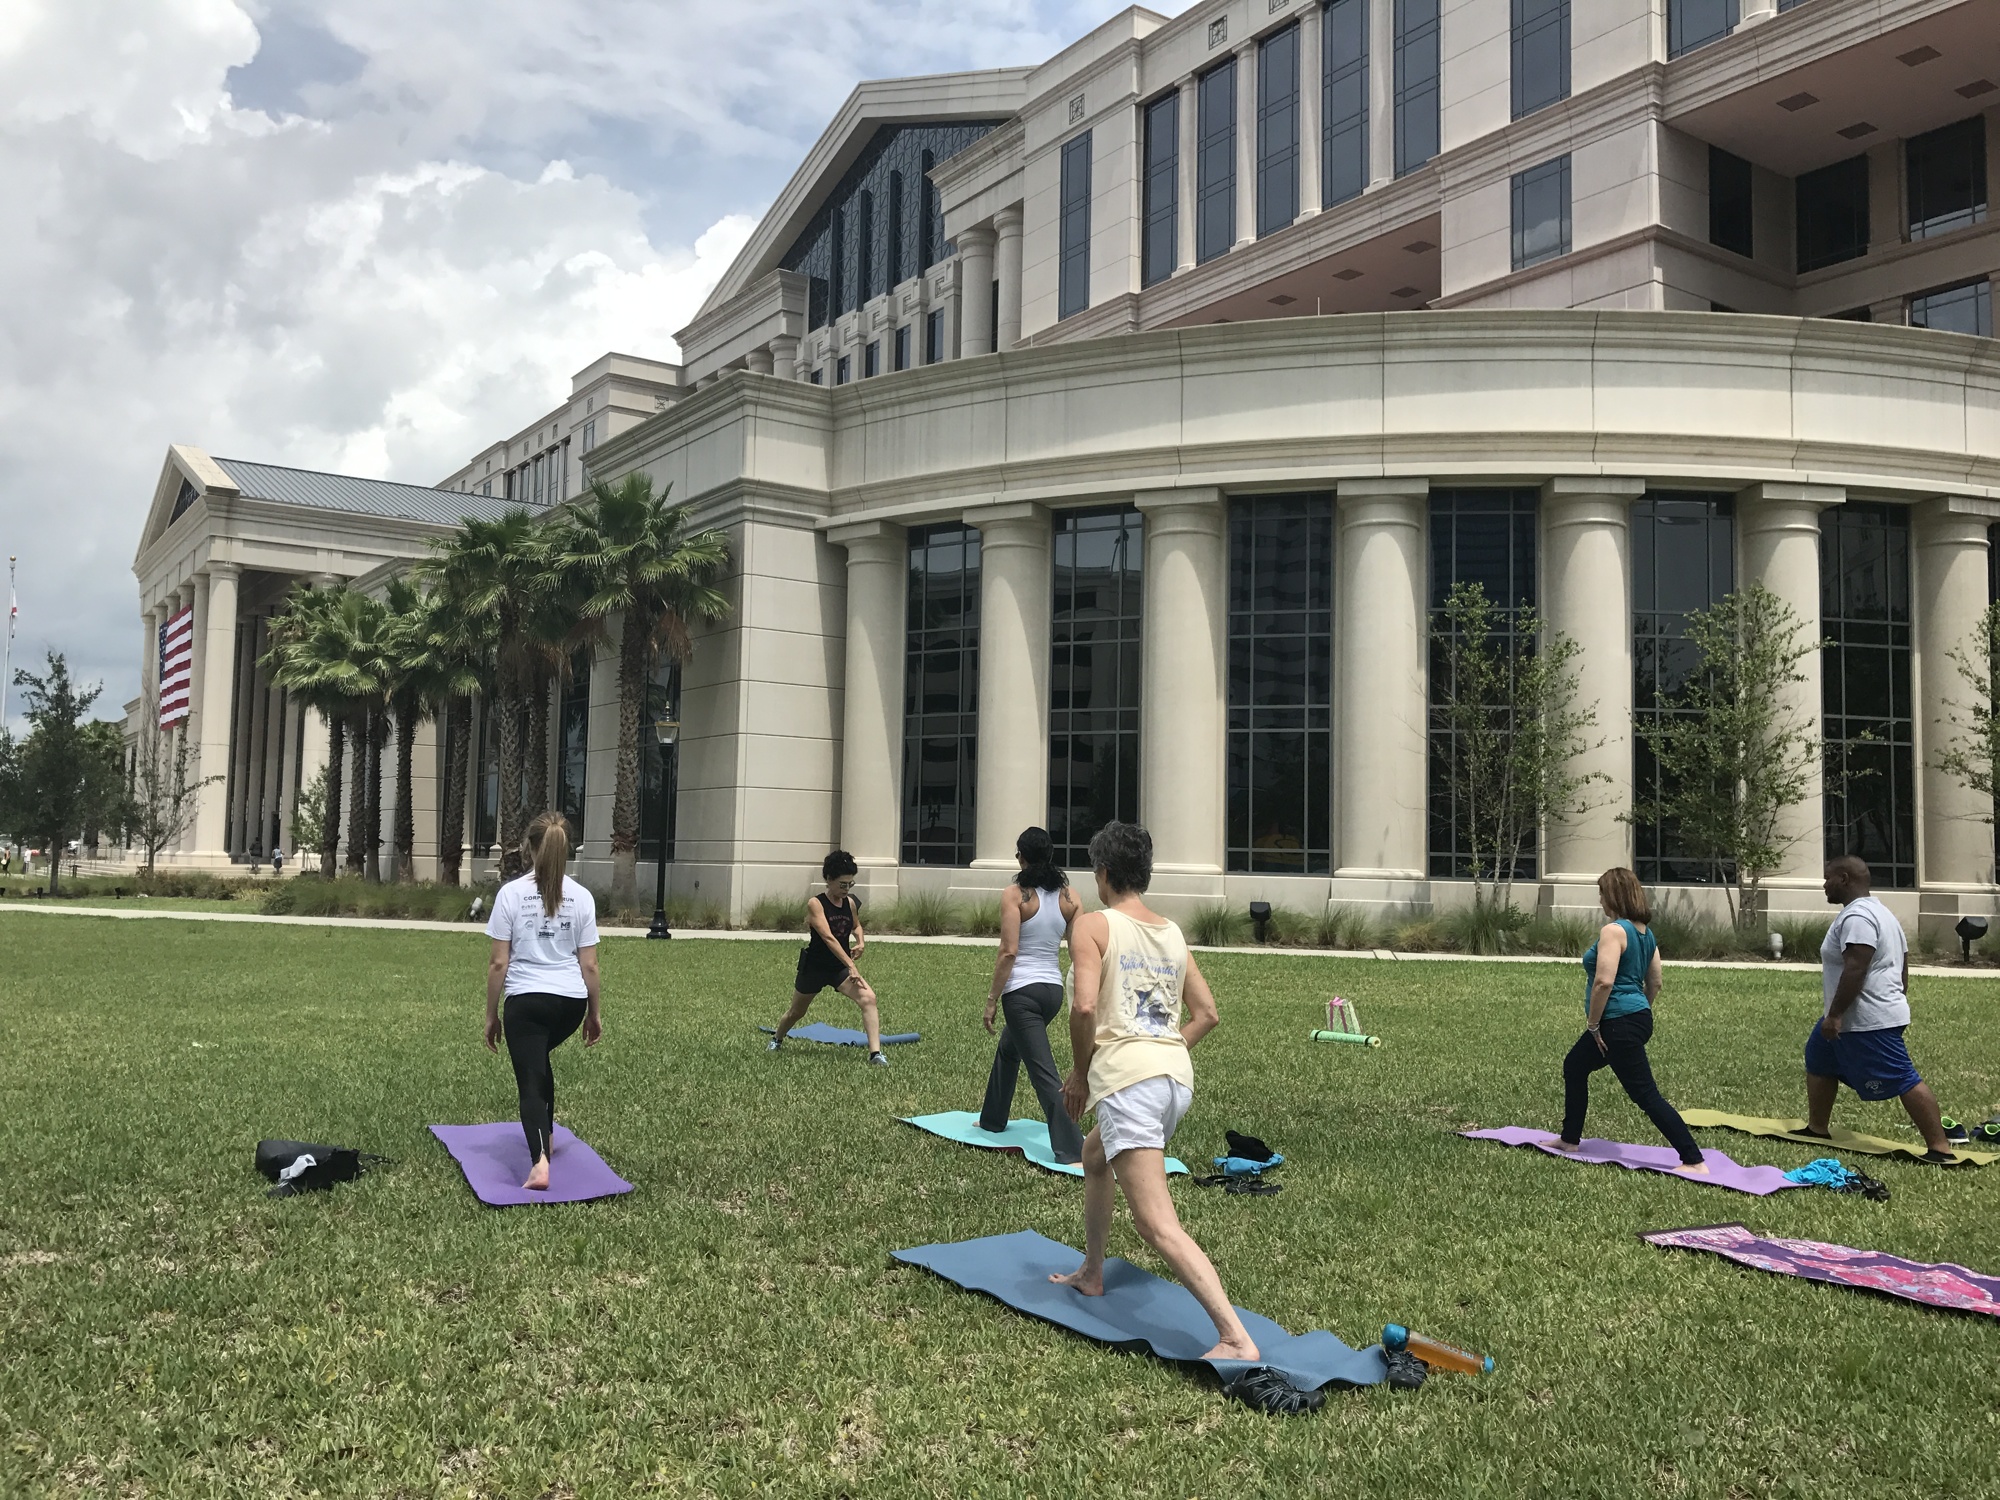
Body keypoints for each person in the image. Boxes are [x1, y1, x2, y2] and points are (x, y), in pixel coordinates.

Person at [1046, 821, 1258, 1364]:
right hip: (1174, 1081)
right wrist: (1161, 1052)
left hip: (1132, 1084)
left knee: (1155, 1224)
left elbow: (1085, 1007)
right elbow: (1207, 1014)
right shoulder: (1171, 931)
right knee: (1095, 1156)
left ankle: (1235, 1337)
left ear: (1104, 874)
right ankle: (1092, 1273)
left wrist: (1080, 1074)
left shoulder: (1092, 926)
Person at [1800, 856, 1956, 1162]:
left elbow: (1856, 967)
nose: (1824, 885)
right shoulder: (1881, 912)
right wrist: (1898, 997)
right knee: (1818, 1058)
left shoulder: (1858, 917)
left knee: (1902, 1078)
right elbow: (1904, 962)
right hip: (1867, 1013)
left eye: (1828, 878)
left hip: (1865, 1019)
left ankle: (1940, 1148)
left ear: (1844, 879)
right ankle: (1817, 1128)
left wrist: (1834, 1015)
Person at [1554, 868, 1708, 1174]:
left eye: (1601, 893)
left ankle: (1693, 1159)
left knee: (1645, 1093)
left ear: (1612, 895)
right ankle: (1569, 1139)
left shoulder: (1613, 931)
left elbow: (1603, 983)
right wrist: (1641, 1011)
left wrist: (1594, 1023)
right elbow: (1656, 982)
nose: (1599, 900)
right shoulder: (1645, 934)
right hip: (1635, 1018)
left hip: (1614, 1023)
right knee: (1575, 1065)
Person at [483, 811, 602, 1190]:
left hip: (528, 1003)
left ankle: (539, 1164)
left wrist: (490, 1015)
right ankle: (547, 1135)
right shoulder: (582, 897)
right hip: (570, 1004)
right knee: (538, 1060)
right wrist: (594, 1013)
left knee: (529, 1080)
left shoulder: (511, 894)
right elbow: (591, 966)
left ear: (530, 849)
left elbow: (499, 962)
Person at [978, 827, 1084, 1164]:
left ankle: (1071, 1150)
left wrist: (992, 1000)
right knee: (1010, 1049)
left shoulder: (1015, 894)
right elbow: (1080, 950)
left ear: (1021, 857)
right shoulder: (1070, 897)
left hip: (1021, 994)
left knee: (1043, 1072)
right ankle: (992, 1120)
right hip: (1051, 993)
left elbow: (1009, 952)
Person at [767, 850, 888, 1066]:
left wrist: (860, 941)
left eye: (850, 884)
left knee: (869, 999)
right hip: (815, 967)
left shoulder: (849, 903)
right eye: (843, 884)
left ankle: (875, 1055)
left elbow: (856, 925)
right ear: (829, 880)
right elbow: (828, 937)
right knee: (796, 1012)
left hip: (838, 968)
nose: (847, 889)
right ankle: (777, 1038)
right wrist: (852, 965)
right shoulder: (816, 904)